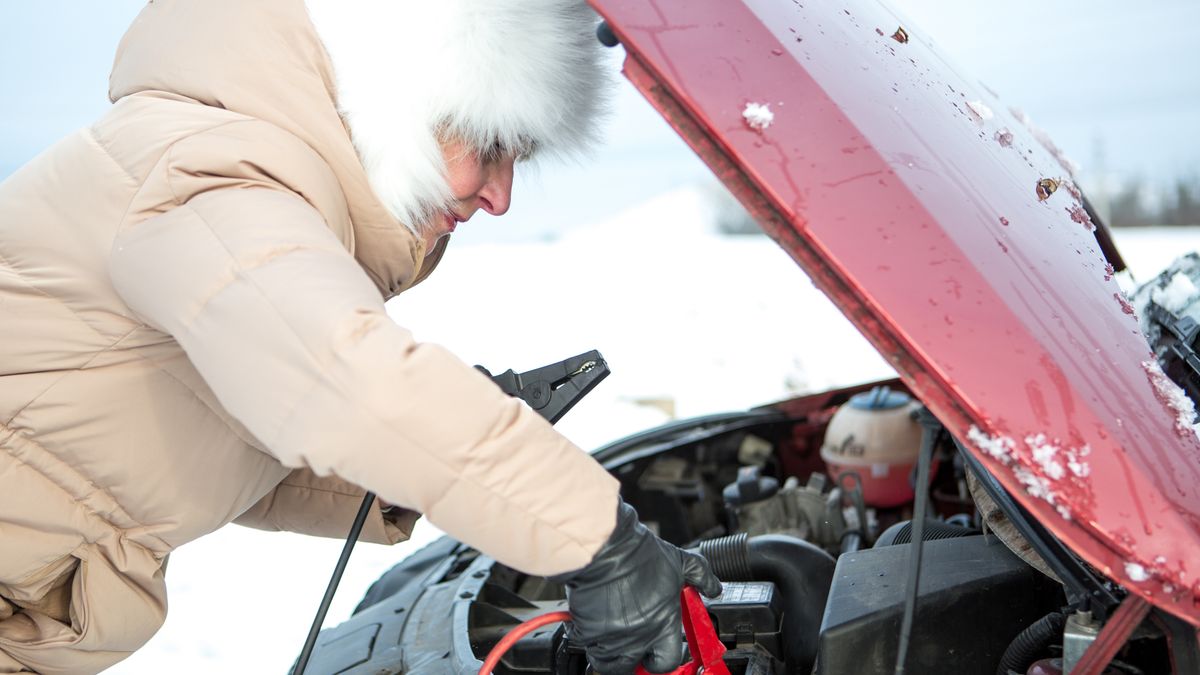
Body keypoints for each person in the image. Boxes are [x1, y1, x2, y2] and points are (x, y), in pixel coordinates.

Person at [0, 1, 721, 673]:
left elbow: (215, 439)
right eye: (492, 145)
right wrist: (599, 541)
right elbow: (341, 382)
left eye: (519, 162)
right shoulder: (215, 170)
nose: (500, 196)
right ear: (406, 98)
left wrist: (415, 464)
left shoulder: (241, 174)